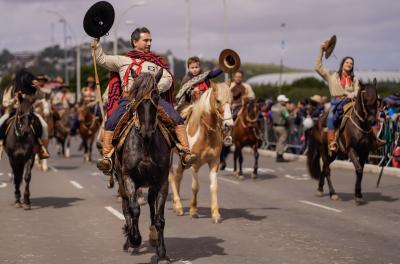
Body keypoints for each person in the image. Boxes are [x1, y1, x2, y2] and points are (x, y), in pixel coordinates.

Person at [92, 27, 196, 174]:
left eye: (150, 40)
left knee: (177, 118)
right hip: (130, 100)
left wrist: (152, 89)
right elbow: (100, 59)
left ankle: (185, 152)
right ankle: (107, 157)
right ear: (135, 42)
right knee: (111, 121)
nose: (149, 43)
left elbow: (167, 79)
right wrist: (96, 40)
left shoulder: (157, 63)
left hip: (153, 99)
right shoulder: (123, 60)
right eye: (145, 40)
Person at [315, 39, 385, 155]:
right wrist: (321, 51)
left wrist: (354, 93)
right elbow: (318, 67)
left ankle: (374, 140)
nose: (349, 65)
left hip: (351, 102)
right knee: (331, 117)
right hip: (337, 102)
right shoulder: (332, 75)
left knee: (367, 116)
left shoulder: (354, 79)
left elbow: (358, 90)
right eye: (347, 62)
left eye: (351, 63)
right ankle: (332, 142)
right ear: (342, 64)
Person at [0, 69, 50, 160]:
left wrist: (38, 87)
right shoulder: (10, 89)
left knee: (45, 126)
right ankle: (0, 144)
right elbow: (4, 103)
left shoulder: (30, 88)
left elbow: (41, 96)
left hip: (29, 112)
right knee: (1, 122)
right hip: (13, 111)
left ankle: (43, 149)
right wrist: (14, 100)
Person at [271, 95, 290, 162]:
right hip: (281, 126)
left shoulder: (273, 107)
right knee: (282, 141)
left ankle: (277, 155)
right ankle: (280, 156)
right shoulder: (283, 108)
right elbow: (287, 117)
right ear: (281, 101)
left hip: (275, 126)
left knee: (278, 141)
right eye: (284, 101)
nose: (286, 102)